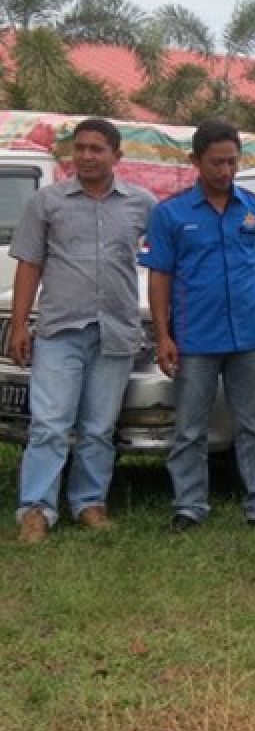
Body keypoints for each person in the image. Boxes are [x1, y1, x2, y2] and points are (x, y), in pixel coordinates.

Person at [9, 118, 156, 544]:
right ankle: (36, 509)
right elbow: (29, 264)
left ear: (117, 156)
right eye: (81, 148)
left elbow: (166, 260)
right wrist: (20, 324)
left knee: (98, 427)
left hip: (115, 330)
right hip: (60, 330)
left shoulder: (141, 204)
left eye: (97, 149)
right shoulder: (47, 203)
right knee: (50, 424)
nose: (87, 156)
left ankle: (90, 502)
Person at [139, 120, 255, 533]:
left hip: (249, 337)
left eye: (232, 162)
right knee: (189, 427)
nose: (225, 171)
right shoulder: (170, 214)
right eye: (216, 162)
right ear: (195, 161)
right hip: (195, 338)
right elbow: (159, 276)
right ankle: (189, 506)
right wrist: (165, 334)